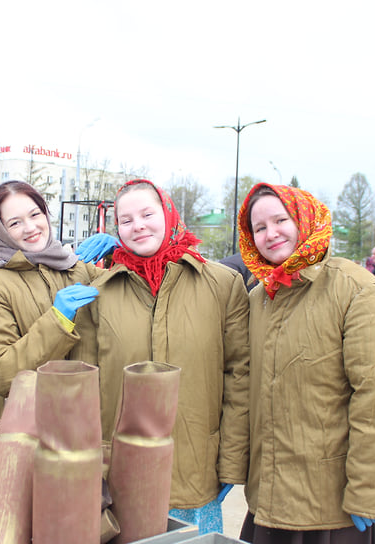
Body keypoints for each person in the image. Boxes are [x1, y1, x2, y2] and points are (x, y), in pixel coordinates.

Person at [237, 183, 375, 543]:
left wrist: (369, 490)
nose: (271, 234)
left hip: (331, 509)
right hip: (269, 502)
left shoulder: (355, 290)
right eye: (260, 227)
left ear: (304, 219)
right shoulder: (259, 298)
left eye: (281, 220)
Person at [78, 180, 249, 534]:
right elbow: (86, 388)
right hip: (121, 473)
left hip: (196, 469)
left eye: (147, 214)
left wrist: (231, 462)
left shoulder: (222, 285)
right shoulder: (100, 293)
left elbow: (240, 378)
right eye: (126, 220)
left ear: (168, 215)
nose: (138, 225)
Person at [0, 180, 102, 400]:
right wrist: (57, 323)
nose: (30, 228)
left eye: (35, 214)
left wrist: (119, 252)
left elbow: (133, 290)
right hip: (30, 422)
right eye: (14, 223)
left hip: (86, 414)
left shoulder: (77, 268)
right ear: (0, 231)